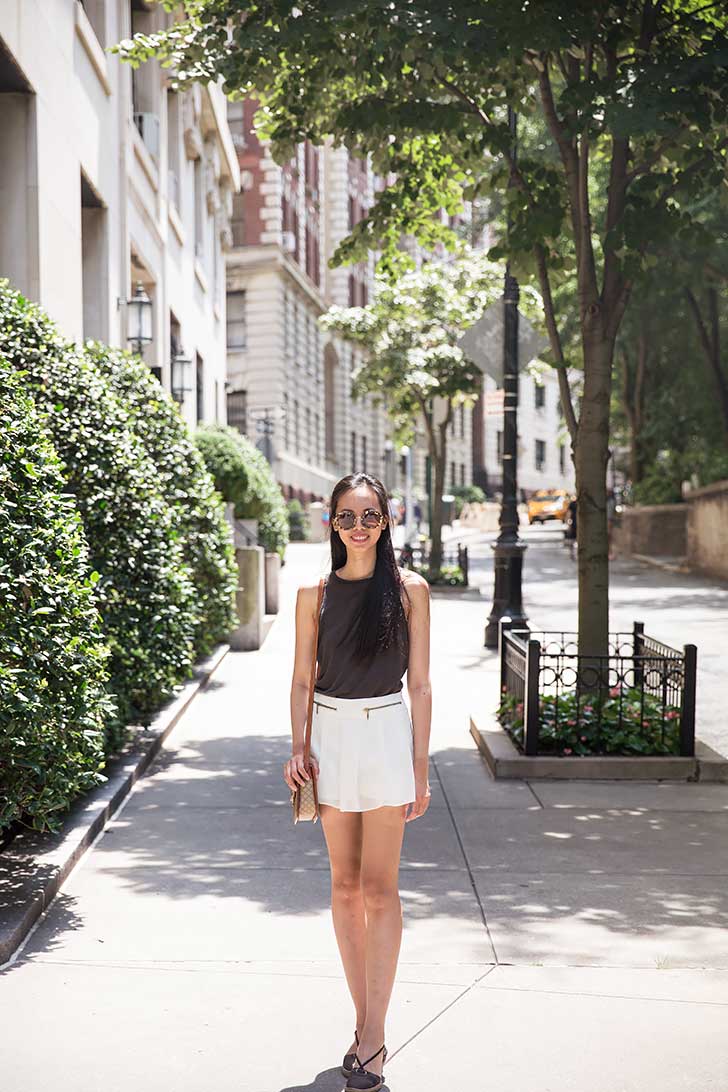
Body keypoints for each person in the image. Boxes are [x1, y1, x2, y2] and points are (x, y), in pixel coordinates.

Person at [284, 471, 432, 1092]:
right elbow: (300, 679)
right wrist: (298, 747)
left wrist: (420, 770)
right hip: (331, 738)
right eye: (347, 517)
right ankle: (365, 1027)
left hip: (385, 735)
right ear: (332, 524)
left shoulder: (409, 590)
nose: (359, 527)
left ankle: (372, 1039)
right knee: (343, 888)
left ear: (387, 521)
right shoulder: (312, 594)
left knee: (379, 890)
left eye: (369, 516)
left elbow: (420, 684)